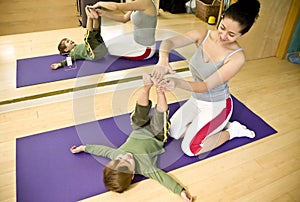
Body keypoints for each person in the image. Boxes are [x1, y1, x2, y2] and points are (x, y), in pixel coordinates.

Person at [151, 0, 260, 156]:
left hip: (216, 105)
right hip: (196, 99)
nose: (223, 35)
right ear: (221, 19)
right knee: (173, 133)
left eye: (231, 34)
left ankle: (232, 130)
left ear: (242, 34)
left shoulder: (237, 57)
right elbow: (169, 42)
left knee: (190, 149)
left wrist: (176, 82)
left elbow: (206, 86)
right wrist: (163, 59)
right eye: (222, 27)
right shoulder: (203, 35)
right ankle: (210, 127)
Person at [70, 74, 193, 202]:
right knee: (159, 120)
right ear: (133, 174)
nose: (126, 156)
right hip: (157, 136)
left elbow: (102, 150)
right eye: (128, 162)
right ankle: (160, 92)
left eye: (120, 157)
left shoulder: (118, 156)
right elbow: (162, 178)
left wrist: (83, 148)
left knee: (137, 118)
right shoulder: (146, 168)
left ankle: (146, 87)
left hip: (140, 128)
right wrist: (181, 191)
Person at [87, 0, 157, 60]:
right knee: (108, 45)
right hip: (135, 42)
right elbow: (124, 18)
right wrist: (103, 13)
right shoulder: (138, 3)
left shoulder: (146, 2)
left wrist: (99, 4)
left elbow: (116, 7)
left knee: (108, 50)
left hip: (144, 50)